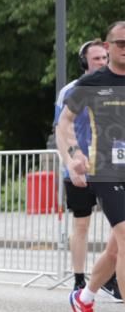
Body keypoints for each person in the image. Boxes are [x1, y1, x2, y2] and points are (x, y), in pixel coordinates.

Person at [62, 20, 125, 312]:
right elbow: (64, 123)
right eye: (121, 44)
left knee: (115, 251)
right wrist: (73, 155)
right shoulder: (91, 83)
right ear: (109, 46)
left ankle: (84, 298)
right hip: (106, 170)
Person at [54, 39, 119, 298]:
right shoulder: (72, 90)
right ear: (84, 62)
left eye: (104, 58)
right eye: (96, 59)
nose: (102, 63)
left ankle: (109, 279)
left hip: (110, 168)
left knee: (118, 230)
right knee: (81, 226)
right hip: (80, 167)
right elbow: (60, 127)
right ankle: (79, 281)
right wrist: (70, 163)